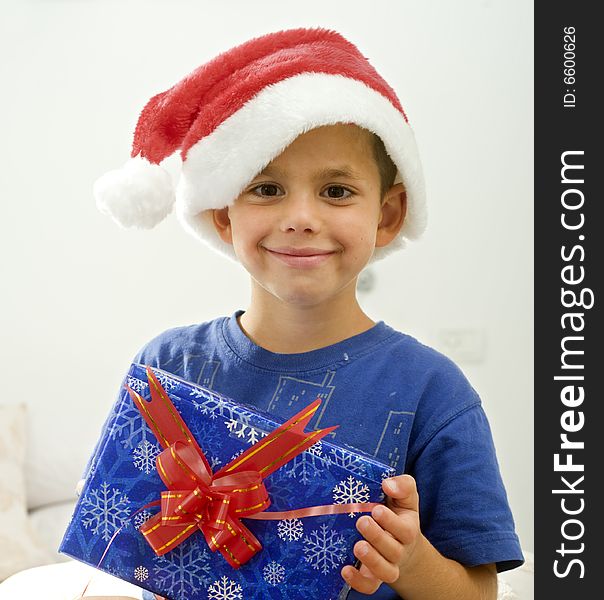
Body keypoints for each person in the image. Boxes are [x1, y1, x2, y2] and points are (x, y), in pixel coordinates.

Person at [94, 27, 524, 600]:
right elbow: (119, 542)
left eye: (337, 192)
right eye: (267, 188)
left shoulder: (432, 391)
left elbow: (479, 593)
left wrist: (411, 560)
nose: (300, 217)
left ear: (388, 215)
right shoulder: (165, 367)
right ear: (224, 215)